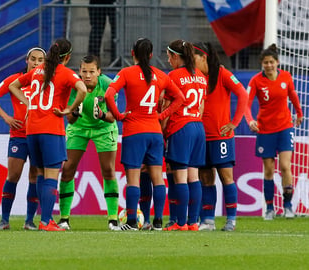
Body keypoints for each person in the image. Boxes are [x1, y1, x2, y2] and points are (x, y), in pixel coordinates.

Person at [105, 38, 185, 231]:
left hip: (134, 131)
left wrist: (118, 115)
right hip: (155, 132)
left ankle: (132, 222)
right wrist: (161, 115)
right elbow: (180, 98)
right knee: (158, 178)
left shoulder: (126, 72)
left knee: (133, 179)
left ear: (133, 53)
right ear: (150, 55)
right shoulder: (161, 75)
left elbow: (108, 95)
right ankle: (158, 221)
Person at [9, 38, 87, 231]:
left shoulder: (36, 71)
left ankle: (45, 219)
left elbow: (13, 86)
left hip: (32, 130)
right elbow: (83, 89)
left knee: (41, 174)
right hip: (51, 129)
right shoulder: (66, 73)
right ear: (67, 57)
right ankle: (46, 221)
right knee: (51, 174)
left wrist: (29, 104)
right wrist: (70, 108)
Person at [0, 47, 46, 231]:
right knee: (13, 175)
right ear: (26, 60)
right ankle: (4, 220)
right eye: (33, 59)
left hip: (37, 135)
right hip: (18, 136)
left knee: (34, 177)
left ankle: (29, 222)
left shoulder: (46, 83)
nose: (36, 63)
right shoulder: (15, 80)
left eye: (40, 60)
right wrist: (7, 118)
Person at [57, 55, 119, 230]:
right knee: (68, 169)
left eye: (92, 71)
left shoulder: (108, 84)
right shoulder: (74, 86)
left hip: (103, 129)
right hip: (79, 129)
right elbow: (70, 120)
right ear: (79, 71)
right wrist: (75, 112)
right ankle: (64, 219)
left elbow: (113, 117)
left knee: (108, 170)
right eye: (84, 71)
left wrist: (101, 115)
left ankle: (113, 219)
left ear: (99, 72)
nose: (87, 75)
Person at [193, 42, 248, 231]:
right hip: (201, 136)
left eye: (194, 59)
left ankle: (231, 219)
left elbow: (243, 94)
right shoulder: (196, 77)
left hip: (221, 136)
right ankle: (208, 220)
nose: (192, 64)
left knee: (226, 177)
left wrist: (234, 122)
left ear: (203, 57)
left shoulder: (222, 73)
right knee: (206, 178)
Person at [245, 43, 303, 220]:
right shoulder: (256, 81)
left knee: (286, 166)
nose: (269, 65)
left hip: (285, 127)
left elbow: (292, 95)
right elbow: (246, 104)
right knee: (268, 169)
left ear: (277, 62)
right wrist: (250, 120)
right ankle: (269, 208)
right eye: (265, 62)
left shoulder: (286, 77)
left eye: (271, 62)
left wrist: (299, 113)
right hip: (265, 130)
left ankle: (288, 206)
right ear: (262, 64)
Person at [162, 39, 207, 231]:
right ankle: (194, 222)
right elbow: (202, 106)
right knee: (193, 176)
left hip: (181, 127)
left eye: (169, 56)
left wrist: (163, 129)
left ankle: (180, 223)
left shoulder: (174, 76)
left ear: (175, 56)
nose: (168, 60)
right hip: (198, 126)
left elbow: (167, 106)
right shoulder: (201, 76)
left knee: (180, 177)